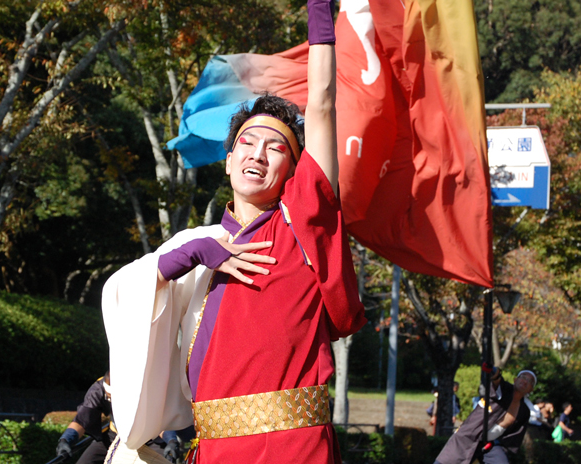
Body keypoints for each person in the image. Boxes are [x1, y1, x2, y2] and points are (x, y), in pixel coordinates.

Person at [100, 1, 366, 463]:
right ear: (227, 162)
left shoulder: (302, 221)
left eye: (276, 147)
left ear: (294, 171)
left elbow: (322, 104)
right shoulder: (193, 247)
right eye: (247, 142)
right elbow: (122, 297)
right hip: (213, 452)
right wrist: (190, 256)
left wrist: (320, 9)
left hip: (296, 449)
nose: (258, 154)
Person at [55, 373, 194, 464]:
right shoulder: (99, 388)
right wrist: (66, 440)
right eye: (109, 397)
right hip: (115, 435)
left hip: (150, 437)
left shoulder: (145, 387)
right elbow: (82, 419)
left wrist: (171, 441)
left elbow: (159, 421)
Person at [434, 369, 536, 464]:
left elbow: (512, 437)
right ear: (515, 379)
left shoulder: (524, 411)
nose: (525, 381)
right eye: (523, 377)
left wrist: (498, 444)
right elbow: (497, 380)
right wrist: (494, 372)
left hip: (492, 446)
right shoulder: (503, 389)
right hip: (469, 435)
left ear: (531, 389)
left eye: (530, 381)